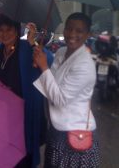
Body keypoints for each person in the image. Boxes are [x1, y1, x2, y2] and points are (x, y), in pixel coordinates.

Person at [0, 13, 54, 168]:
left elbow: (48, 59)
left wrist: (33, 43)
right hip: (3, 118)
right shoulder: (0, 50)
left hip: (23, 117)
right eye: (0, 30)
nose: (5, 34)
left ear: (17, 30)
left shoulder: (26, 48)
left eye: (9, 29)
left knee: (22, 157)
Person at [33, 12, 100, 167]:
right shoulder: (61, 52)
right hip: (57, 129)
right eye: (69, 29)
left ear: (88, 34)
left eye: (79, 31)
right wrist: (40, 62)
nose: (72, 34)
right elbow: (53, 85)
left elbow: (59, 99)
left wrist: (44, 67)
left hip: (75, 134)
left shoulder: (85, 65)